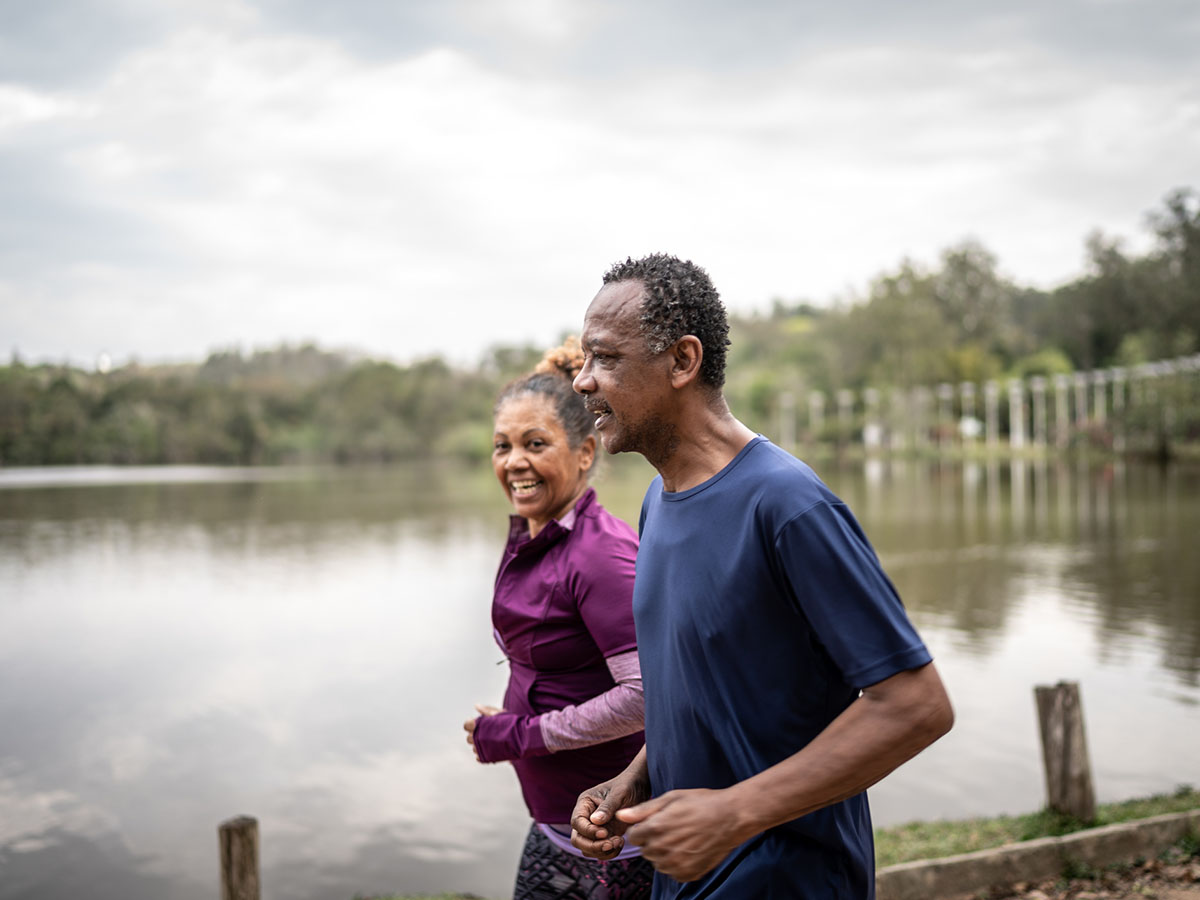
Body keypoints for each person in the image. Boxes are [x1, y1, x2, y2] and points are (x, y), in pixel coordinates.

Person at [567, 254, 955, 899]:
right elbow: (703, 688)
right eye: (585, 359)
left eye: (605, 359)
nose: (582, 382)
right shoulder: (658, 502)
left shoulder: (787, 505)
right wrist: (639, 774)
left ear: (682, 362)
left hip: (788, 882)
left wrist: (732, 812)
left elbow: (916, 706)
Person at [464, 338, 654, 900]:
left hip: (611, 834)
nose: (513, 461)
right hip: (555, 821)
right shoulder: (536, 532)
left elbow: (647, 692)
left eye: (535, 443)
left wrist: (521, 733)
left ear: (585, 453)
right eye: (502, 445)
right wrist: (513, 718)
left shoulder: (600, 553)